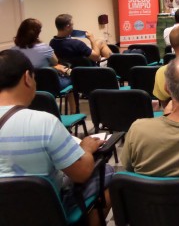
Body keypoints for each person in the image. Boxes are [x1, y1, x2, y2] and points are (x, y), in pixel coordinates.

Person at [0, 49, 114, 225]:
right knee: (106, 172)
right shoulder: (43, 123)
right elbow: (82, 174)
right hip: (45, 214)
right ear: (27, 78)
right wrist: (85, 148)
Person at [12, 18, 76, 109]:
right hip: (49, 85)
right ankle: (74, 111)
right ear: (37, 33)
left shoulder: (13, 50)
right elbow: (55, 62)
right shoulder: (44, 48)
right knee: (70, 78)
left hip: (24, 86)